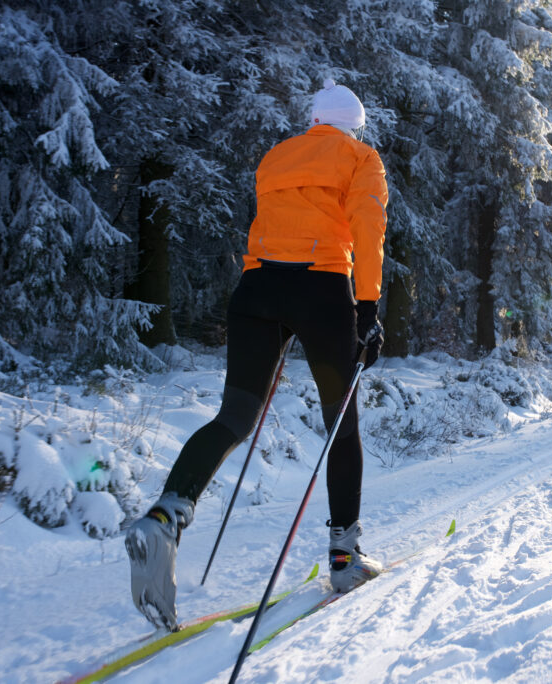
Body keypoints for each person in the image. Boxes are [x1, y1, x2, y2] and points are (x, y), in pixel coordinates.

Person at [125, 79, 388, 630]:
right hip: (321, 290)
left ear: (315, 119)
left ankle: (166, 514)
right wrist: (367, 307)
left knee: (234, 416)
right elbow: (367, 228)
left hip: (257, 290)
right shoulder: (361, 158)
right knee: (342, 423)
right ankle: (344, 559)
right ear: (353, 125)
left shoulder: (277, 155)